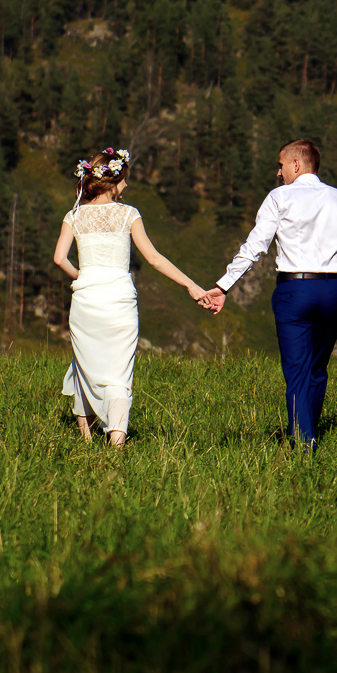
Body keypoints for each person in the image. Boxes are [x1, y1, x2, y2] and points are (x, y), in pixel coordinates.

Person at [204, 138, 337, 450]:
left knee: (296, 371)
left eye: (281, 165)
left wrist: (224, 285)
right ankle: (310, 431)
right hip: (333, 290)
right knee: (318, 369)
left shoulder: (278, 197)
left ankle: (304, 444)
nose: (278, 172)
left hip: (294, 289)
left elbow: (255, 246)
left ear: (296, 164)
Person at [52, 146, 212, 447]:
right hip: (120, 302)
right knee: (119, 372)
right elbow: (153, 258)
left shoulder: (74, 216)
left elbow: (59, 258)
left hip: (86, 300)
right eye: (123, 179)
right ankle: (116, 441)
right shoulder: (128, 214)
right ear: (112, 182)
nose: (126, 185)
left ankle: (86, 439)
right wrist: (191, 285)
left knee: (86, 365)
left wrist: (82, 276)